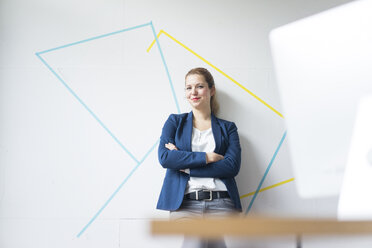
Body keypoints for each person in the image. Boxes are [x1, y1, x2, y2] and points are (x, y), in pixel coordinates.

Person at [156, 67, 242, 248]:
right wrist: (207, 157)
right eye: (188, 88)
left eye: (199, 86)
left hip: (221, 201)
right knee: (194, 243)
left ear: (211, 90)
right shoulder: (175, 122)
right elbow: (165, 158)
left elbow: (231, 166)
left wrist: (186, 165)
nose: (193, 92)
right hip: (186, 203)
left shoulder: (228, 128)